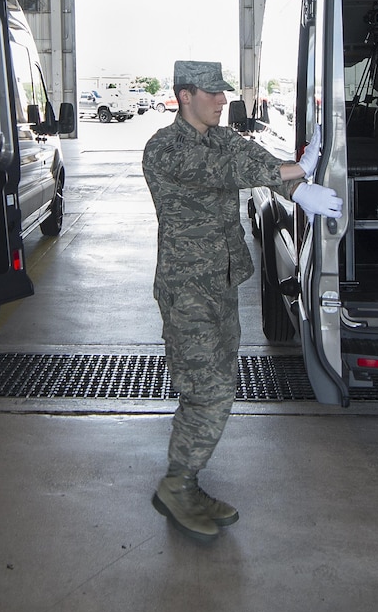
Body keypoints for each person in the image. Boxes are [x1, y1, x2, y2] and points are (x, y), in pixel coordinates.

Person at [140, 60, 343, 542]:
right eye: (210, 93)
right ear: (183, 96)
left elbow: (252, 158)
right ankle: (178, 484)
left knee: (219, 383)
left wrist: (299, 185)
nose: (221, 100)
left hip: (222, 282)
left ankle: (184, 479)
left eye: (222, 92)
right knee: (207, 390)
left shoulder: (221, 137)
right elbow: (224, 170)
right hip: (187, 290)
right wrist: (297, 171)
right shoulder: (165, 148)